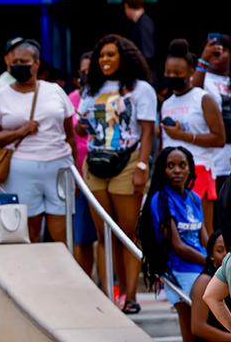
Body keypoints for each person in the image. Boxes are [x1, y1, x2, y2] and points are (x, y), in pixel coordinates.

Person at [76, 34, 157, 313]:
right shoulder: (91, 89)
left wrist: (143, 167)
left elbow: (148, 130)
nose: (104, 60)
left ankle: (131, 297)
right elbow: (82, 128)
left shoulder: (140, 88)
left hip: (128, 160)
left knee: (127, 231)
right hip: (95, 163)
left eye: (110, 55)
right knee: (103, 233)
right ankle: (109, 294)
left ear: (124, 56)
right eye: (101, 56)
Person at [0, 38, 77, 243]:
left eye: (24, 62)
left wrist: (76, 171)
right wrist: (19, 132)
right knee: (28, 232)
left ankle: (62, 272)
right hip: (20, 170)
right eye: (15, 62)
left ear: (37, 64)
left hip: (59, 166)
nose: (19, 66)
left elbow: (70, 135)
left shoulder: (54, 90)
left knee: (62, 232)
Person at [138, 146, 207, 342]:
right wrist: (208, 261)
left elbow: (205, 238)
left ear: (190, 169)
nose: (177, 170)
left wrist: (217, 260)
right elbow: (176, 246)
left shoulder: (194, 198)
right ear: (163, 169)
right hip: (180, 271)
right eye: (171, 166)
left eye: (182, 165)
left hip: (202, 269)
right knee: (194, 332)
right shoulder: (161, 199)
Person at [160, 39, 225, 236]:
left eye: (177, 73)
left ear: (190, 73)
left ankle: (209, 267)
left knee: (202, 231)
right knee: (175, 232)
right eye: (168, 73)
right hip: (171, 173)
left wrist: (183, 135)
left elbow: (219, 138)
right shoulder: (167, 103)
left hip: (198, 169)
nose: (172, 77)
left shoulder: (203, 98)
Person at [191, 34, 231, 229]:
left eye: (222, 50)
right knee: (217, 217)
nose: (218, 54)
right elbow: (191, 91)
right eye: (213, 50)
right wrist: (203, 60)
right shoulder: (203, 77)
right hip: (215, 159)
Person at [68, 52, 97, 274]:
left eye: (91, 70)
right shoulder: (72, 99)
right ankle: (86, 281)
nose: (87, 75)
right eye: (83, 71)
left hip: (107, 171)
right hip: (79, 176)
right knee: (83, 236)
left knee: (110, 234)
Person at [190, 230, 231, 341]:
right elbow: (197, 327)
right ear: (211, 255)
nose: (225, 255)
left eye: (228, 249)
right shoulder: (204, 281)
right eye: (220, 250)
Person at [123, 0, 156, 80]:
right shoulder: (143, 23)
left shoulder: (143, 24)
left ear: (126, 6)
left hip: (147, 78)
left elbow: (148, 54)